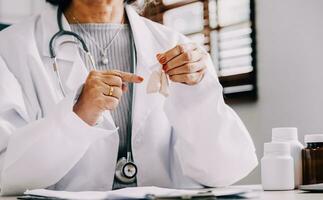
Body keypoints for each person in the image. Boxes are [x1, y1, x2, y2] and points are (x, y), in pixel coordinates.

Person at [0, 0, 258, 196]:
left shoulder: (175, 45)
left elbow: (224, 170)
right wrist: (77, 116)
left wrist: (197, 93)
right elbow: (6, 176)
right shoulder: (10, 48)